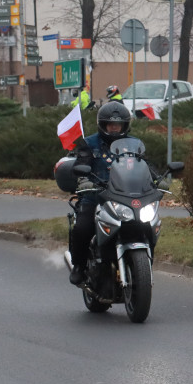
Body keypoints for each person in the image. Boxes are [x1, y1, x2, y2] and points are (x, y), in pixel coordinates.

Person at [68, 101, 137, 286]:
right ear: (103, 125)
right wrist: (84, 181)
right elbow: (80, 165)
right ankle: (79, 266)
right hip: (95, 197)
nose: (115, 129)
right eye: (111, 125)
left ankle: (141, 264)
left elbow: (144, 164)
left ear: (125, 125)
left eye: (118, 125)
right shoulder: (89, 144)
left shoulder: (133, 144)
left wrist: (158, 179)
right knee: (83, 228)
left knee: (144, 223)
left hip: (125, 197)